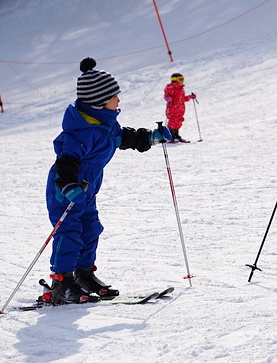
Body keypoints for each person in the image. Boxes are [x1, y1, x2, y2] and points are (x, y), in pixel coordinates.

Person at [41, 58, 171, 305]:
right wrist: (69, 186)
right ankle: (62, 282)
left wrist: (150, 137)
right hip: (66, 191)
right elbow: (65, 161)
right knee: (69, 231)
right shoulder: (80, 131)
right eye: (114, 97)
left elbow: (124, 138)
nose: (119, 101)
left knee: (91, 228)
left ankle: (84, 274)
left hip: (88, 190)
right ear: (99, 102)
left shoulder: (106, 125)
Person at [164, 73, 196, 143]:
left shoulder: (181, 89)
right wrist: (168, 98)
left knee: (179, 122)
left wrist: (190, 97)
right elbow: (166, 95)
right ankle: (170, 136)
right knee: (173, 121)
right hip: (173, 108)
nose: (182, 81)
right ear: (175, 80)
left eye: (182, 79)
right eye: (180, 79)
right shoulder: (170, 88)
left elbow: (183, 99)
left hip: (180, 109)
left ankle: (176, 135)